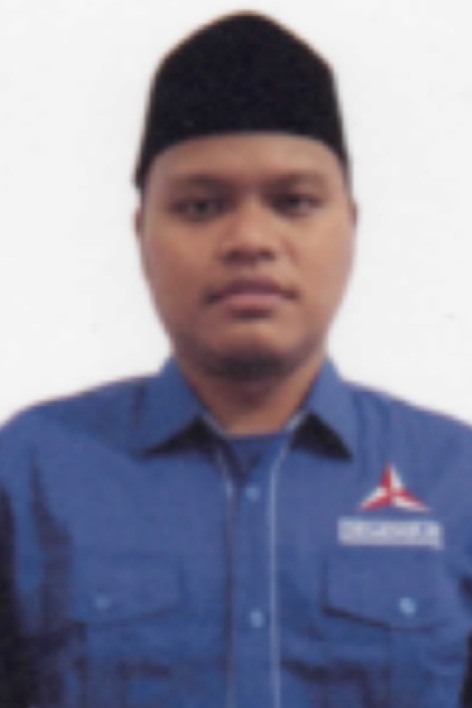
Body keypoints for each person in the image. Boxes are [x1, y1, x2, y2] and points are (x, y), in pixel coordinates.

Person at [1, 10, 472, 708]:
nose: (251, 239)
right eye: (200, 207)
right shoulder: (31, 473)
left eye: (294, 202)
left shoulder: (455, 479)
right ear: (141, 233)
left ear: (350, 226)